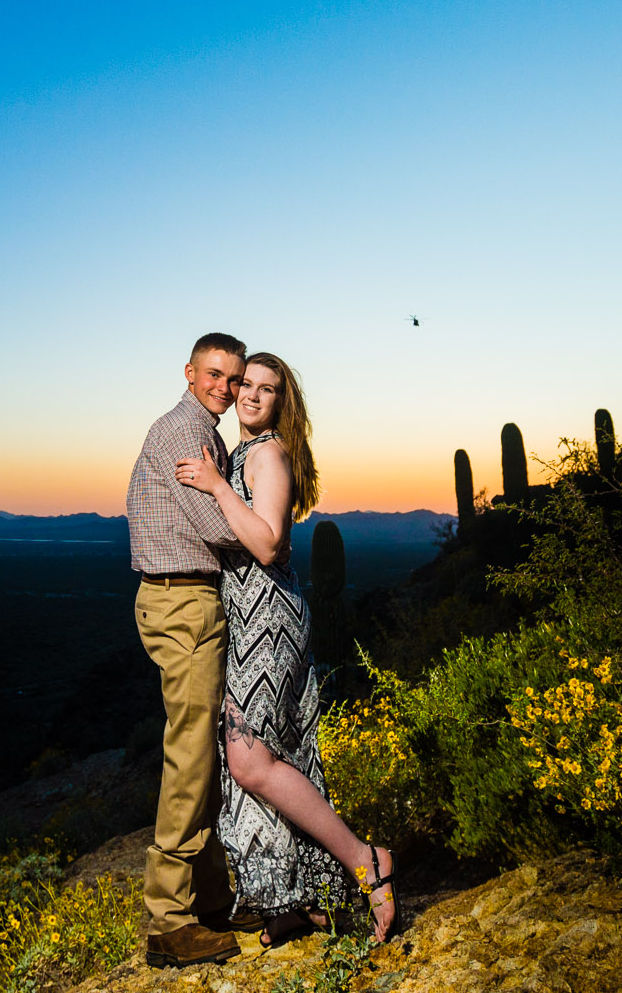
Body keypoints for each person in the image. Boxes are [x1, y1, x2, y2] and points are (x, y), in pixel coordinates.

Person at [175, 351, 397, 946]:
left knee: (250, 760)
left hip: (268, 618)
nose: (249, 394)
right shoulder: (247, 451)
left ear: (281, 403)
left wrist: (219, 487)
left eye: (265, 389)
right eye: (246, 383)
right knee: (275, 758)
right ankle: (300, 899)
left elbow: (269, 545)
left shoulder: (267, 453)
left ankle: (365, 859)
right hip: (250, 619)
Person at [126, 332, 260, 969]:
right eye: (215, 375)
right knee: (189, 753)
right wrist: (268, 536)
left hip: (186, 600)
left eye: (233, 379)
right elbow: (212, 525)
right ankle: (170, 921)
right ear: (189, 371)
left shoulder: (202, 432)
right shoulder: (187, 435)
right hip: (182, 602)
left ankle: (208, 899)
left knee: (203, 747)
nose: (226, 389)